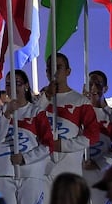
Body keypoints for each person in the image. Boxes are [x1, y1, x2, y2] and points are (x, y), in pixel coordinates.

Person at [0, 69, 52, 204]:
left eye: (17, 83)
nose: (12, 88)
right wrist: (7, 113)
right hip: (4, 174)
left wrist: (25, 158)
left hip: (30, 174)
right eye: (8, 84)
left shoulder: (36, 112)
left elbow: (48, 145)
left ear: (26, 86)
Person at [38, 53, 100, 183]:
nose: (53, 71)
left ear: (68, 71)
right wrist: (46, 96)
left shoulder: (80, 101)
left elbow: (93, 136)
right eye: (50, 68)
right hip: (41, 172)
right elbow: (30, 122)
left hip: (69, 174)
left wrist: (61, 145)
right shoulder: (40, 101)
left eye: (58, 67)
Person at [83, 70, 112, 204]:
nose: (94, 88)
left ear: (105, 88)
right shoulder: (79, 112)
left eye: (98, 84)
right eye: (90, 84)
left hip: (101, 175)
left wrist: (98, 163)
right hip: (79, 172)